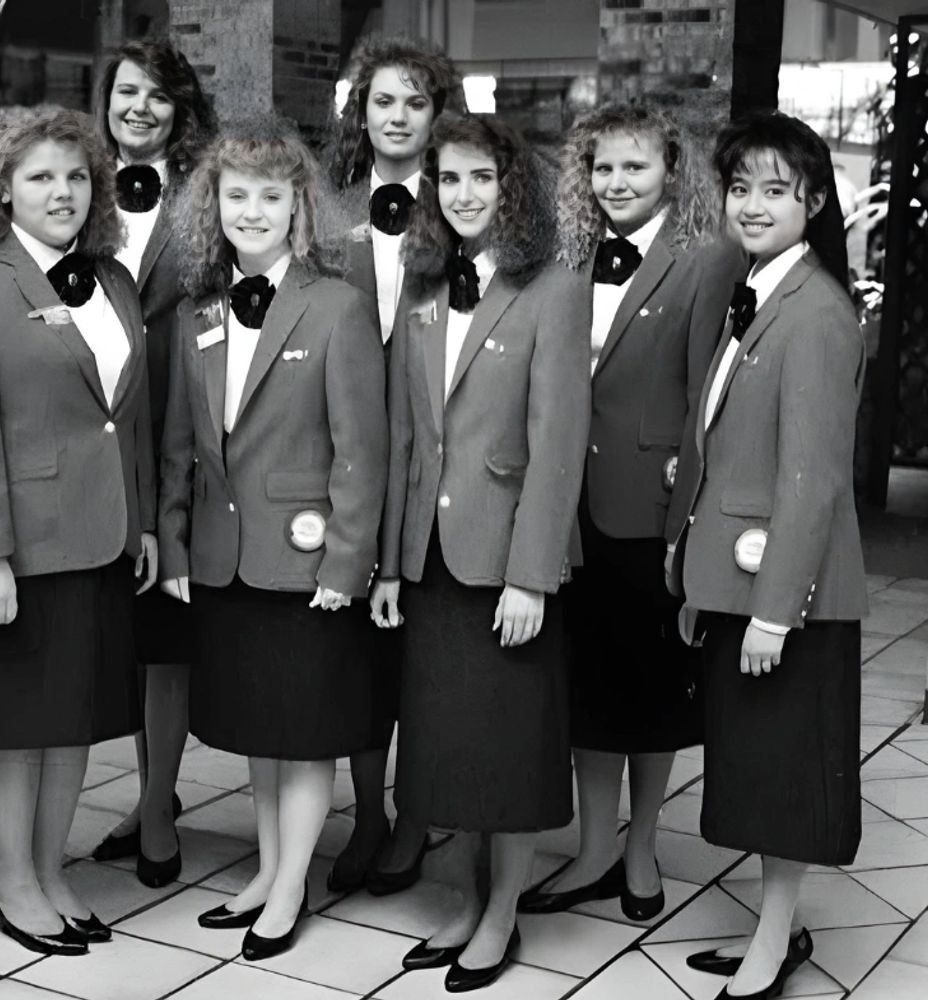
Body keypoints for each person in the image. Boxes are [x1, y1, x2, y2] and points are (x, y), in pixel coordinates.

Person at [0, 105, 157, 956]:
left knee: (72, 720)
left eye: (77, 177)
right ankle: (13, 881)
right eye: (41, 177)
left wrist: (144, 520)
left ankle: (51, 870)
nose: (63, 192)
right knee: (16, 725)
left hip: (103, 539)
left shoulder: (113, 280)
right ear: (3, 189)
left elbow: (125, 416)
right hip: (20, 551)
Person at [370, 112, 589, 991]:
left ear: (513, 187)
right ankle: (463, 899)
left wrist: (532, 576)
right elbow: (402, 435)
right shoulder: (421, 282)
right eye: (449, 179)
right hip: (431, 559)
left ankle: (502, 914)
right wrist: (391, 564)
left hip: (506, 560)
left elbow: (558, 441)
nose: (463, 195)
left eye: (482, 178)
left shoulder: (555, 287)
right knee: (445, 746)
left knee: (510, 747)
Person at [157, 124, 387, 960]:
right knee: (260, 727)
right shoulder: (197, 310)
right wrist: (174, 544)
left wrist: (347, 561)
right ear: (213, 205)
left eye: (270, 195)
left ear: (299, 207)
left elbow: (361, 450)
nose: (252, 211)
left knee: (305, 730)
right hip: (225, 558)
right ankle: (265, 869)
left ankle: (292, 886)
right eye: (236, 195)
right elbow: (178, 444)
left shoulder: (337, 305)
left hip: (307, 560)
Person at [665, 112, 867, 1000]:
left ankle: (775, 942)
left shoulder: (816, 312)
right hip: (737, 581)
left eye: (775, 190)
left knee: (784, 779)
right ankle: (772, 929)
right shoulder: (756, 290)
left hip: (785, 598)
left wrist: (775, 613)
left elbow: (812, 481)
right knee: (755, 770)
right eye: (740, 187)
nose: (752, 204)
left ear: (812, 201)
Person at [517, 104, 721, 922]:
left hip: (650, 509)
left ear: (671, 169)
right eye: (602, 167)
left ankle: (641, 850)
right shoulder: (567, 254)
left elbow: (706, 399)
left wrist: (687, 516)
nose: (616, 182)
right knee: (590, 688)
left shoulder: (705, 260)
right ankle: (595, 848)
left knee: (652, 691)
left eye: (634, 166)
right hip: (570, 505)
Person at [326, 36, 462, 896]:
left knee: (428, 646)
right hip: (345, 452)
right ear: (362, 112)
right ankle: (367, 813)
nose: (399, 116)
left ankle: (417, 815)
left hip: (434, 452)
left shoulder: (462, 208)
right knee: (357, 652)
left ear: (438, 115)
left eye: (416, 102)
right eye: (383, 101)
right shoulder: (326, 206)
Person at [88, 39, 216, 888]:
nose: (139, 107)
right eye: (127, 91)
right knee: (129, 627)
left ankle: (161, 807)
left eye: (158, 95)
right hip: (97, 426)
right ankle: (146, 793)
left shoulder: (205, 193)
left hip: (179, 417)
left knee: (167, 625)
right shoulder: (79, 183)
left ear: (181, 110)